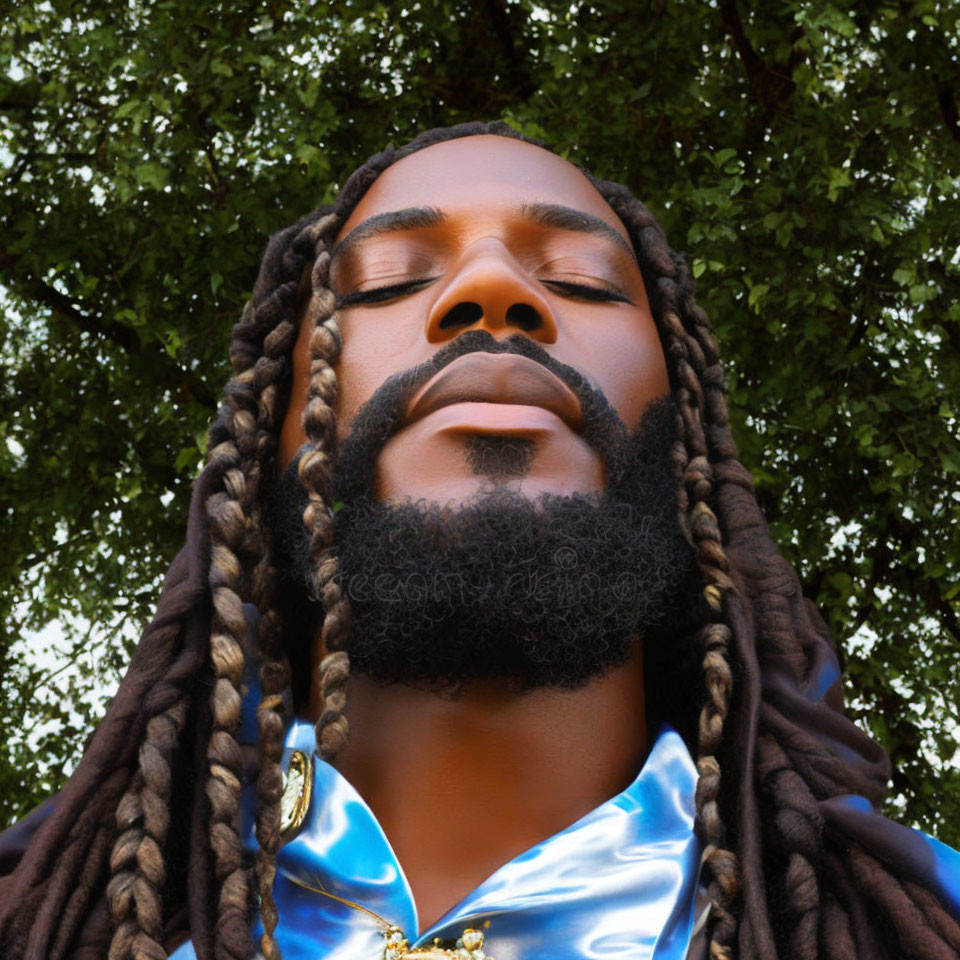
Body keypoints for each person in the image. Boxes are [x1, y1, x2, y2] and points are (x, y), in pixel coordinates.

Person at [0, 121, 958, 960]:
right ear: (275, 433)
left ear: (690, 442)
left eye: (581, 279)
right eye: (385, 282)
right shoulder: (49, 918)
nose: (492, 288)